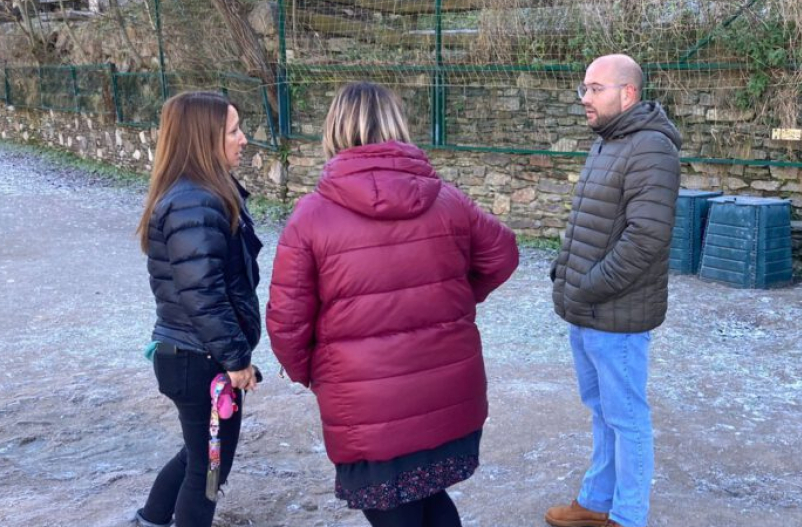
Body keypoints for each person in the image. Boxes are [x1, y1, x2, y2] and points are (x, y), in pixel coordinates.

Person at [267, 82, 520, 527]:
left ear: (335, 129)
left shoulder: (311, 216)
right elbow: (502, 255)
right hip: (445, 391)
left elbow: (287, 326)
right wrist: (452, 303)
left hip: (367, 406)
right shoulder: (447, 199)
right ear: (397, 125)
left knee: (401, 511)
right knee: (429, 499)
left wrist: (317, 375)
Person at [546, 54, 682, 527]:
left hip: (617, 314)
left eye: (595, 88)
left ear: (627, 93)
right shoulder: (608, 142)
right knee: (602, 412)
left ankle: (628, 517)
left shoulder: (651, 149)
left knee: (627, 419)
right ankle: (595, 504)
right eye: (583, 88)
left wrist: (589, 285)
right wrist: (565, 270)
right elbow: (590, 222)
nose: (585, 98)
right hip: (587, 309)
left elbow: (647, 237)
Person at [135, 91, 263, 527]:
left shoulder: (201, 194)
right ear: (203, 139)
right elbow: (202, 294)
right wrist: (235, 359)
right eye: (233, 131)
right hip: (199, 359)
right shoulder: (195, 201)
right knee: (209, 470)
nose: (243, 140)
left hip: (191, 355)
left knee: (200, 456)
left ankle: (151, 518)